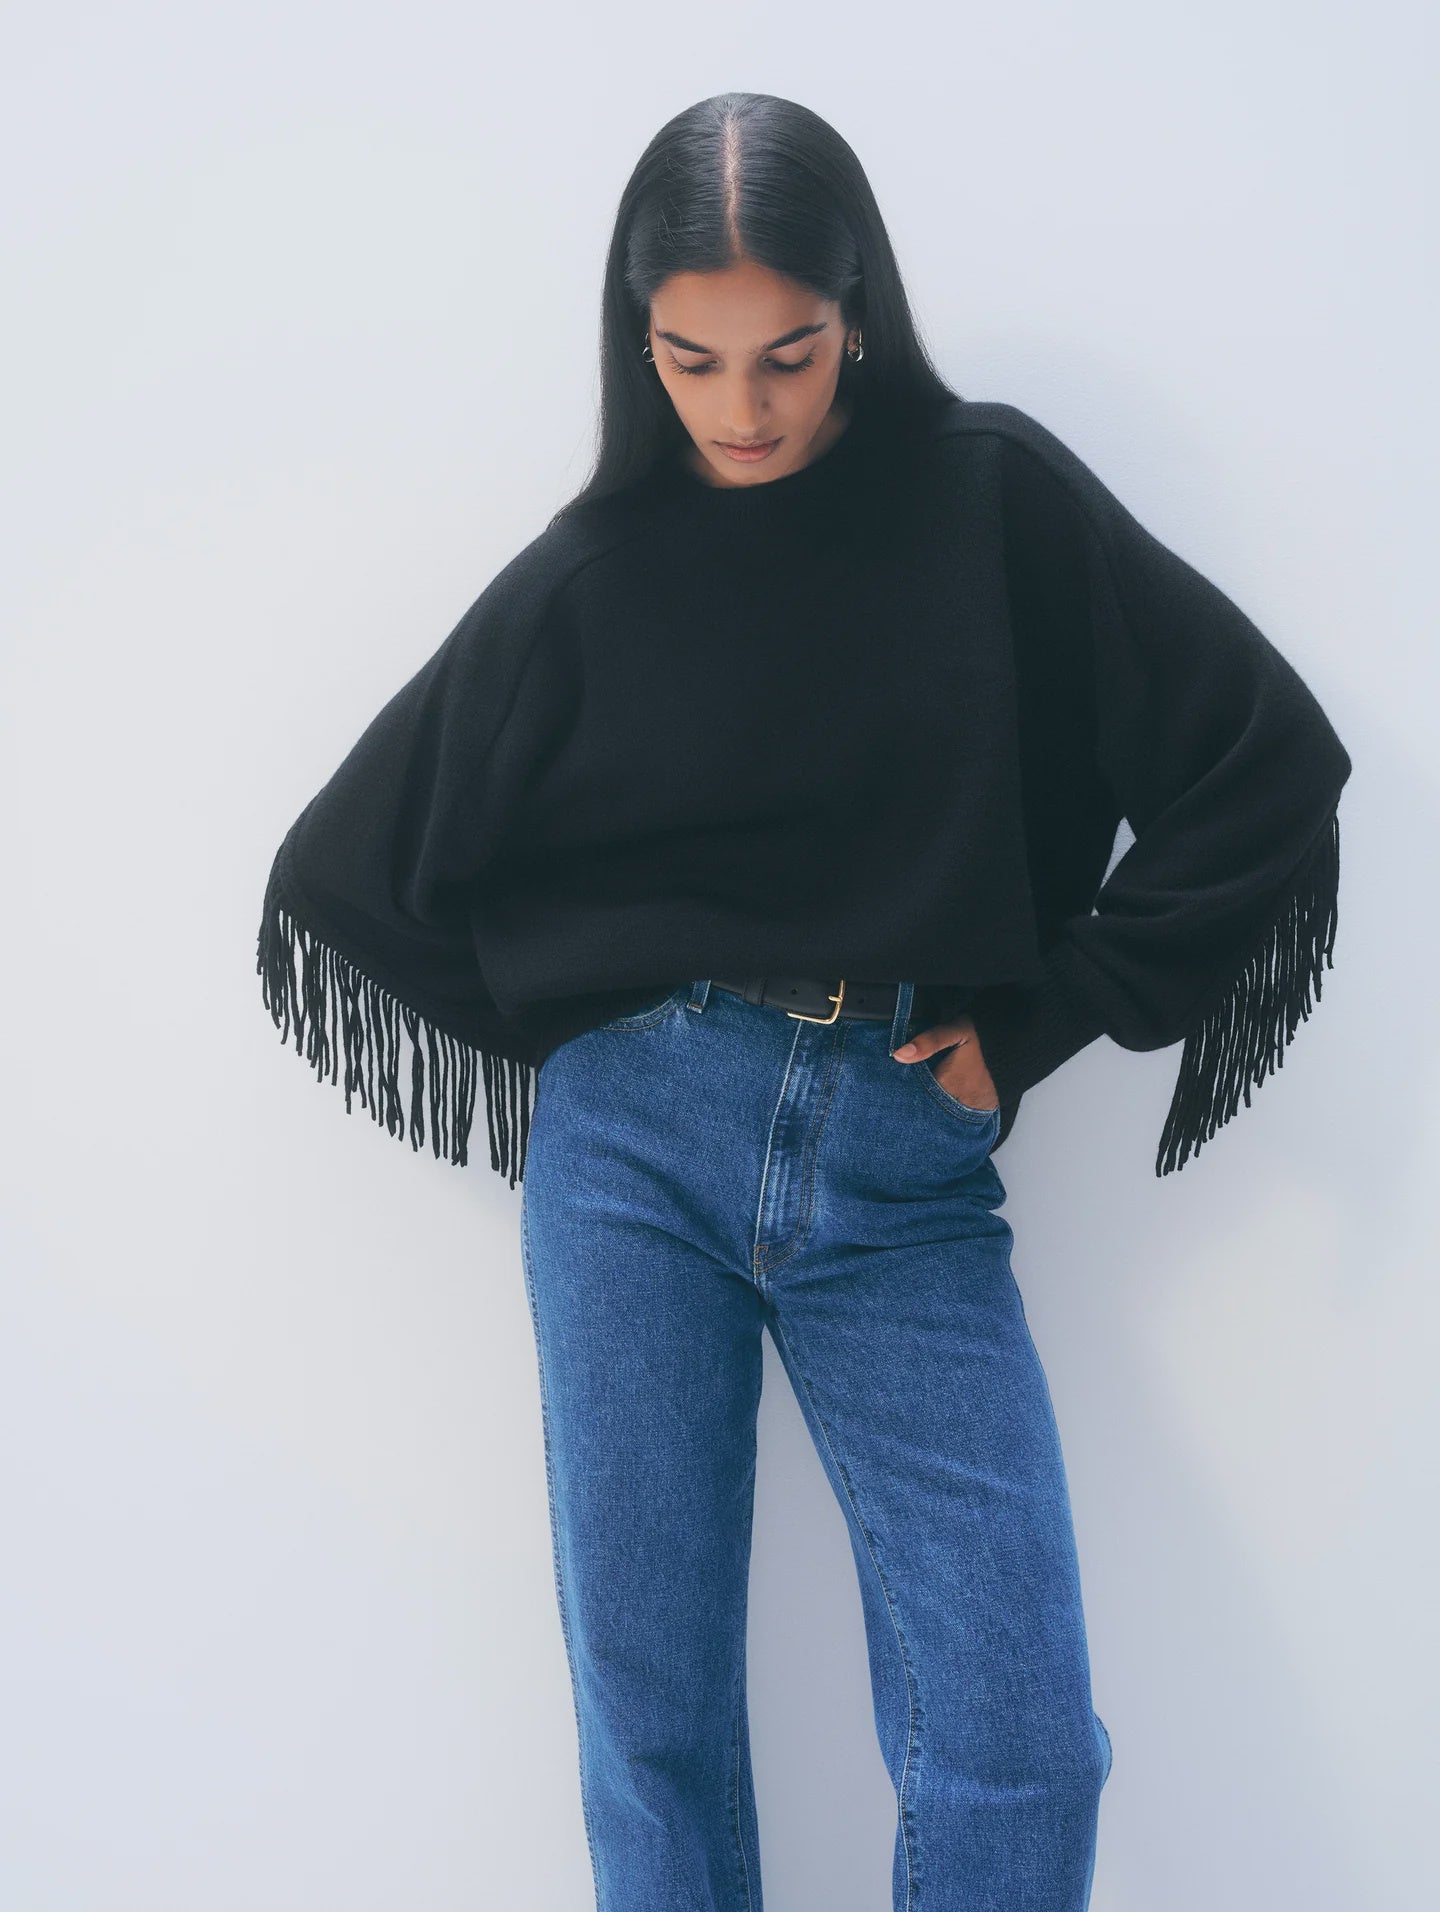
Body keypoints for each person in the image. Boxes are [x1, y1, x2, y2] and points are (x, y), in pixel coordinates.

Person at [254, 92, 1351, 1912]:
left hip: (901, 1153)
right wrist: (586, 1034)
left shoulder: (990, 498)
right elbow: (336, 877)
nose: (744, 409)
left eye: (790, 354)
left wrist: (1058, 1012)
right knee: (654, 1737)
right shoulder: (587, 580)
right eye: (691, 360)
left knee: (1019, 1742)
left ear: (863, 312)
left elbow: (1265, 760)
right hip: (628, 1168)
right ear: (639, 342)